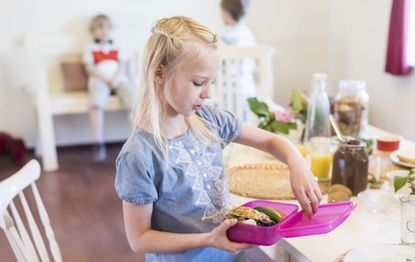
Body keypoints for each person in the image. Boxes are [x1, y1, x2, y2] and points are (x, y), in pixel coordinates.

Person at [115, 16, 322, 261]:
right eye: (198, 82)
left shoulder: (208, 120)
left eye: (212, 82)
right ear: (159, 73)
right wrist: (208, 239)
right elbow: (139, 239)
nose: (209, 93)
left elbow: (270, 142)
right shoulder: (139, 155)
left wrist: (295, 161)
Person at [83, 14, 133, 162]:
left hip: (118, 79)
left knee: (134, 103)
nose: (104, 30)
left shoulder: (118, 45)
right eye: (99, 27)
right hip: (100, 80)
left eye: (107, 26)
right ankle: (98, 142)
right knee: (96, 104)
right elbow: (90, 68)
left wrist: (116, 79)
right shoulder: (90, 48)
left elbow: (123, 66)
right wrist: (107, 79)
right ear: (93, 30)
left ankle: (136, 140)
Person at [220, 0, 257, 120]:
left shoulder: (226, 36)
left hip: (227, 94)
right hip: (248, 90)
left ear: (226, 13)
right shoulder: (248, 33)